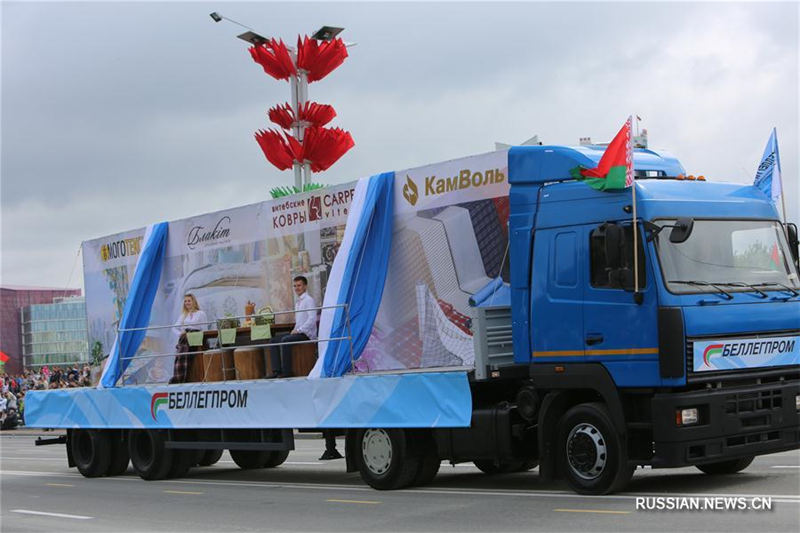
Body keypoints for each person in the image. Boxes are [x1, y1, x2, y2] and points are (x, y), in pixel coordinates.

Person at [269, 276, 317, 378]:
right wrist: (295, 329)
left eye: (299, 285)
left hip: (307, 334)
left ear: (305, 286)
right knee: (273, 340)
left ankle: (287, 372)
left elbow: (312, 319)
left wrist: (299, 330)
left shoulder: (308, 300)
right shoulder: (298, 302)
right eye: (295, 286)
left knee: (286, 340)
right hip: (299, 332)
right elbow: (300, 321)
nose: (296, 288)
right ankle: (276, 371)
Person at [169, 293, 209, 383]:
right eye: (185, 301)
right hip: (185, 338)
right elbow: (174, 328)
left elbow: (205, 329)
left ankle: (183, 378)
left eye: (189, 301)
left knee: (185, 352)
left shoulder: (200, 313)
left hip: (196, 336)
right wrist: (180, 334)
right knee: (180, 356)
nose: (187, 303)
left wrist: (202, 339)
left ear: (193, 302)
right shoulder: (183, 315)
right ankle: (178, 378)